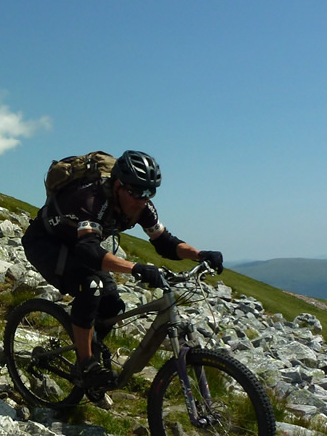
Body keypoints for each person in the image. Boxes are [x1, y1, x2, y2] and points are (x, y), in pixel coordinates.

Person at [21, 149, 224, 396]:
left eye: (149, 192)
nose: (142, 199)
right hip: (47, 243)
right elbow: (88, 252)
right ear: (118, 185)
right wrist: (135, 268)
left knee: (112, 306)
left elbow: (165, 242)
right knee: (91, 287)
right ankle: (86, 365)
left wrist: (199, 254)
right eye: (136, 192)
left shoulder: (142, 207)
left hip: (80, 244)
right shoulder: (91, 198)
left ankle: (88, 352)